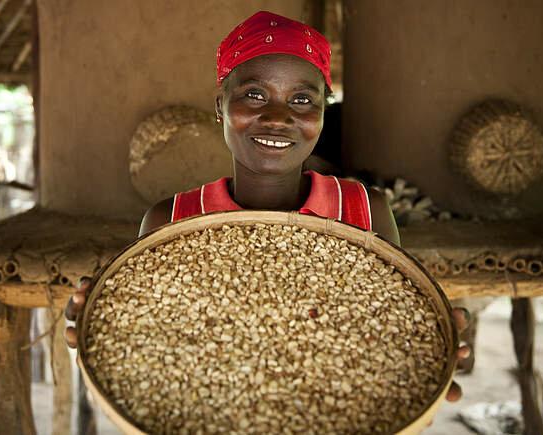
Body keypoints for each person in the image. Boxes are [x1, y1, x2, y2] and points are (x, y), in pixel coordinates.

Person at [65, 10, 470, 404]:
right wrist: (105, 321)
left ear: (323, 115)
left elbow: (388, 328)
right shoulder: (171, 221)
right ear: (221, 105)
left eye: (302, 100)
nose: (277, 117)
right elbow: (153, 347)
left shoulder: (364, 211)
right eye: (254, 94)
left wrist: (422, 347)